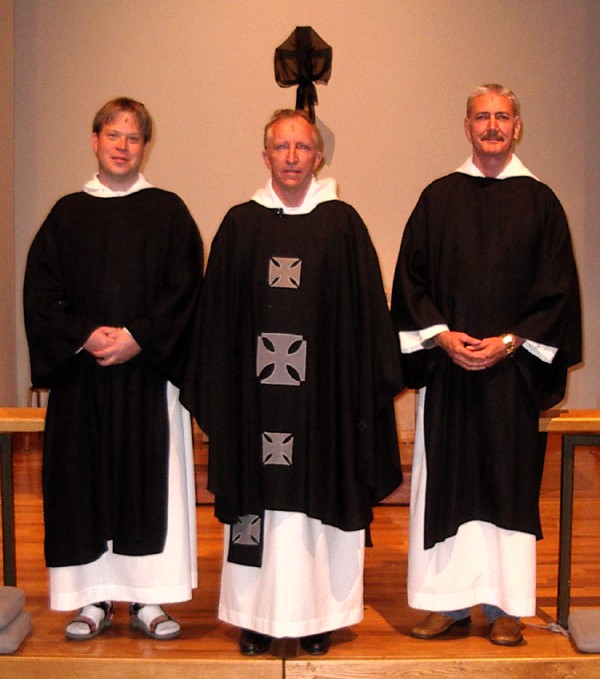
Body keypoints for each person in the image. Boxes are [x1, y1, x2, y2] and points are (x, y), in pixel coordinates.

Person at [182, 109, 403, 656]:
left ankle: (318, 616)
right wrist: (223, 394)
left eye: (302, 147)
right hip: (255, 405)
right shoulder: (239, 224)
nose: (291, 157)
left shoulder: (343, 224)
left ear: (318, 155)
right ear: (265, 156)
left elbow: (367, 315)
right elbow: (216, 320)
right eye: (281, 147)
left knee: (320, 498)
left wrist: (358, 390)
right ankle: (254, 617)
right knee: (258, 505)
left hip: (322, 404)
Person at [391, 84, 581, 646]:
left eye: (502, 117)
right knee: (446, 486)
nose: (492, 126)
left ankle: (506, 607)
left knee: (507, 486)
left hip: (511, 376)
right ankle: (445, 605)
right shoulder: (438, 198)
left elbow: (557, 292)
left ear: (517, 126)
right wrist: (441, 336)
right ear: (467, 126)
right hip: (449, 375)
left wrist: (510, 340)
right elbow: (410, 281)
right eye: (482, 117)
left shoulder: (540, 201)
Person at [24, 97, 203, 641]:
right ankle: (92, 598)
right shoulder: (66, 214)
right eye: (113, 135)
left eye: (133, 137)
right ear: (95, 140)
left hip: (148, 380)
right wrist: (85, 334)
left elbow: (186, 290)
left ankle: (149, 600)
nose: (122, 146)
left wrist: (138, 336)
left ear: (145, 145)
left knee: (148, 484)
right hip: (83, 382)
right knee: (84, 484)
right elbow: (41, 295)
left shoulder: (168, 212)